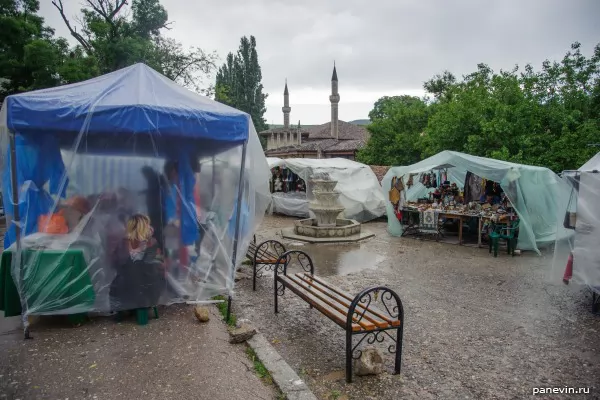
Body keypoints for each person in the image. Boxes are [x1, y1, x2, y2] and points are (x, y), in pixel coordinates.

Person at [109, 214, 165, 312]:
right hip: (126, 286)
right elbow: (116, 264)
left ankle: (135, 305)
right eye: (147, 224)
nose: (150, 227)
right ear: (141, 227)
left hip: (145, 287)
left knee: (137, 271)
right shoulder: (123, 243)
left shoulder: (151, 243)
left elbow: (154, 266)